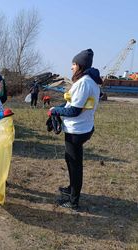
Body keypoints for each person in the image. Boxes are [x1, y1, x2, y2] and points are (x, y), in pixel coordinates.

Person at [49, 49, 102, 209]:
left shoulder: (84, 83)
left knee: (74, 164)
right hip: (81, 127)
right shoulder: (88, 81)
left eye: (73, 64)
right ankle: (71, 189)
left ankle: (73, 200)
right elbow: (70, 104)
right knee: (70, 159)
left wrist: (55, 111)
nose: (71, 67)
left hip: (77, 130)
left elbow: (74, 111)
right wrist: (58, 107)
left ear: (80, 65)